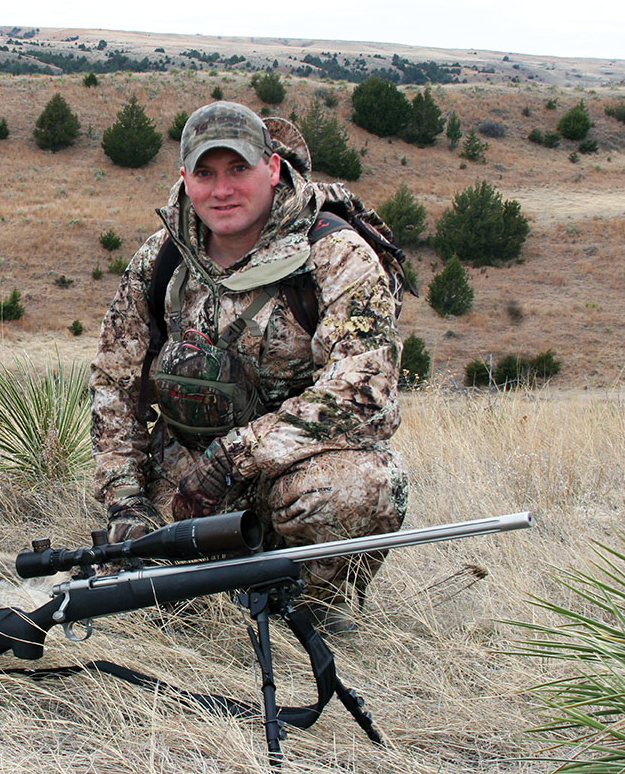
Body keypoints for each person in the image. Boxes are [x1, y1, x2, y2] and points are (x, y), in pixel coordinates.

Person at [90, 101, 409, 631]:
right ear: (185, 178)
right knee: (173, 616)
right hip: (186, 480)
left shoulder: (333, 256)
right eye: (206, 173)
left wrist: (235, 456)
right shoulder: (160, 259)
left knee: (362, 489)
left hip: (290, 471)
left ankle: (313, 611)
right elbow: (114, 384)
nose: (223, 190)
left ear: (272, 168)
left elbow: (364, 393)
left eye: (239, 168)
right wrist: (126, 502)